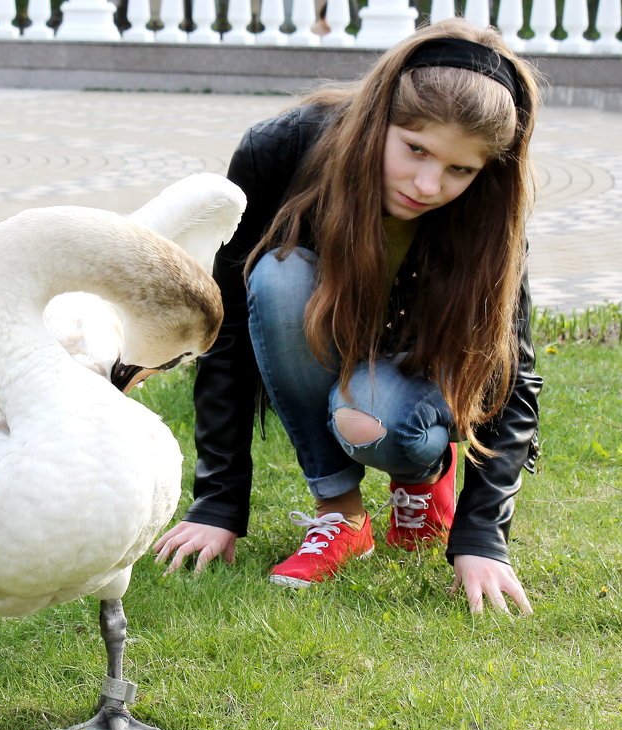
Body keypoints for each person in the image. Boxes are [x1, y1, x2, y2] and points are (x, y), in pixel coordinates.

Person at [153, 18, 543, 614]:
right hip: (328, 341)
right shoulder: (280, 150)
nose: (428, 184)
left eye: (460, 170)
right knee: (275, 276)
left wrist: (483, 535)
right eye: (415, 149)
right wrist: (218, 503)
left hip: (423, 365)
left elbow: (511, 369)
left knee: (371, 421)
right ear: (379, 116)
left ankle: (421, 470)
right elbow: (226, 331)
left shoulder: (492, 208)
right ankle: (342, 516)